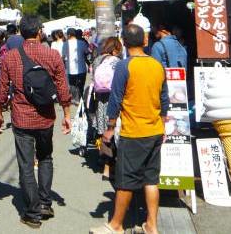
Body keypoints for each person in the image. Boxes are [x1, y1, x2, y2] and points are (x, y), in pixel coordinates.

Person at [0, 14, 72, 229]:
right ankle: (46, 203)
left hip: (21, 118)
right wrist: (67, 114)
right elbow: (62, 89)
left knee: (26, 165)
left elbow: (2, 91)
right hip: (46, 117)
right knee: (46, 158)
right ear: (39, 32)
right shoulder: (52, 55)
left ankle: (32, 212)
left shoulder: (9, 57)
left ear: (21, 33)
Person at [90, 24, 168, 234]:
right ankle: (152, 225)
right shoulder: (156, 65)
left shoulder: (125, 66)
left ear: (123, 43)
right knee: (151, 180)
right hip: (154, 129)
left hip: (133, 131)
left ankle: (116, 225)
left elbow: (115, 100)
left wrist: (109, 127)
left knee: (125, 180)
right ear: (145, 41)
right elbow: (164, 99)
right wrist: (162, 124)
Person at [89, 36, 123, 180]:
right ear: (115, 49)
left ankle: (104, 165)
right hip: (114, 100)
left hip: (100, 101)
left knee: (104, 131)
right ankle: (112, 166)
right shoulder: (117, 62)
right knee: (114, 132)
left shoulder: (97, 60)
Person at [63, 27, 90, 105]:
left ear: (69, 34)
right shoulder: (82, 43)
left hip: (70, 69)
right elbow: (86, 52)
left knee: (72, 85)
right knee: (80, 86)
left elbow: (63, 55)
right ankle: (81, 100)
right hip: (81, 68)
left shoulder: (66, 44)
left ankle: (74, 99)